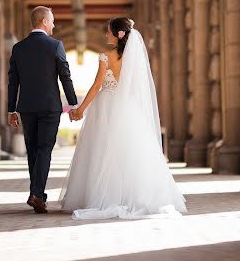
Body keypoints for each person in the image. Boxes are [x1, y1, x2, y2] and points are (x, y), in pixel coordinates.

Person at [60, 17, 186, 219]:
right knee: (131, 151)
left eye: (108, 31)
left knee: (104, 151)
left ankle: (106, 196)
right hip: (129, 108)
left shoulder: (106, 57)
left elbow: (96, 86)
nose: (106, 34)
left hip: (107, 107)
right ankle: (132, 195)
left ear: (118, 34)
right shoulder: (135, 59)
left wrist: (81, 109)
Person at [8, 5, 78, 214]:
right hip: (49, 107)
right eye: (53, 20)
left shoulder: (18, 48)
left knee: (33, 150)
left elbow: (13, 82)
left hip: (27, 107)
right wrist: (73, 105)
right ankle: (37, 194)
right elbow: (65, 76)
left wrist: (12, 109)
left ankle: (36, 193)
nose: (54, 24)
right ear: (44, 21)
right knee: (44, 149)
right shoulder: (55, 45)